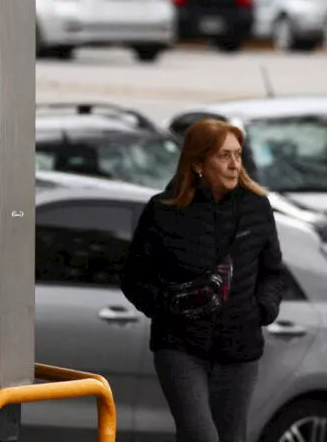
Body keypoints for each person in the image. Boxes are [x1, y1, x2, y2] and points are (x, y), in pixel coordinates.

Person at [119, 118, 286, 442]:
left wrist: (263, 309)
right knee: (201, 436)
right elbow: (134, 277)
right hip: (180, 347)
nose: (234, 164)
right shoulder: (162, 210)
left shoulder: (257, 207)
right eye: (224, 156)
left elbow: (273, 272)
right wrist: (165, 307)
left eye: (238, 154)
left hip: (240, 347)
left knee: (231, 437)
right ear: (198, 162)